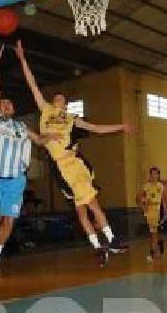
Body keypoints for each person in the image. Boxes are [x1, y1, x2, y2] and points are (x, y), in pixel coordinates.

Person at [15, 39, 130, 267]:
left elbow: (96, 128)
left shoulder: (70, 118)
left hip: (74, 163)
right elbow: (32, 85)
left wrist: (121, 126)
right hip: (60, 166)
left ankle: (108, 242)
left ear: (66, 106)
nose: (59, 100)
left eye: (63, 100)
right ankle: (104, 244)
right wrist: (22, 58)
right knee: (83, 211)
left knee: (90, 206)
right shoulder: (45, 109)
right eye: (57, 98)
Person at [0, 45, 53, 279]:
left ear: (14, 109)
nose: (4, 104)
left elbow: (40, 140)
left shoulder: (22, 128)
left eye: (8, 103)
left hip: (16, 181)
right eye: (2, 103)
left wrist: (53, 136)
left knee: (8, 221)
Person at [140, 166, 166, 262]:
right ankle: (158, 244)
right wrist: (143, 206)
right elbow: (140, 197)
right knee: (152, 233)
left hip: (158, 211)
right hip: (149, 211)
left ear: (158, 175)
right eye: (152, 173)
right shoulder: (146, 186)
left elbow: (164, 199)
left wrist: (166, 211)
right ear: (150, 175)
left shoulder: (161, 186)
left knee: (154, 233)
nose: (154, 175)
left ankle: (153, 252)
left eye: (156, 173)